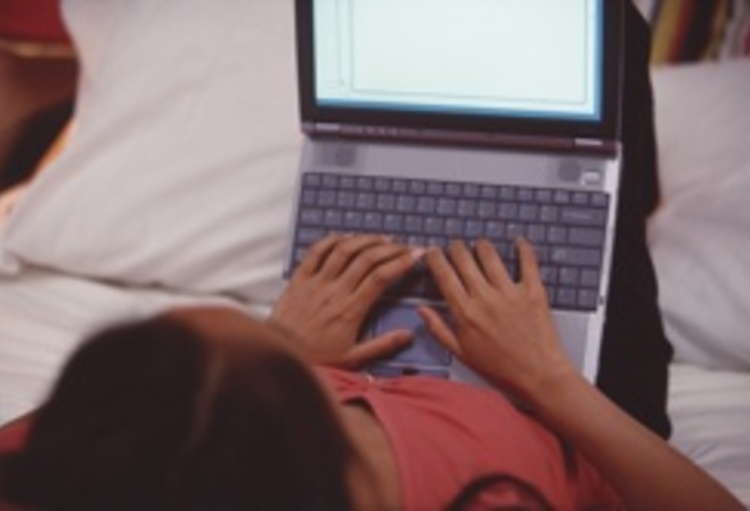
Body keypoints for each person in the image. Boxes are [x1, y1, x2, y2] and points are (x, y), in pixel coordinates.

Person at [0, 1, 742, 509]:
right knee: (609, 37)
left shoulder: (99, 464)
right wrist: (548, 379)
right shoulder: (495, 489)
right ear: (312, 421)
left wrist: (290, 346)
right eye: (259, 344)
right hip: (553, 393)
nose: (269, 323)